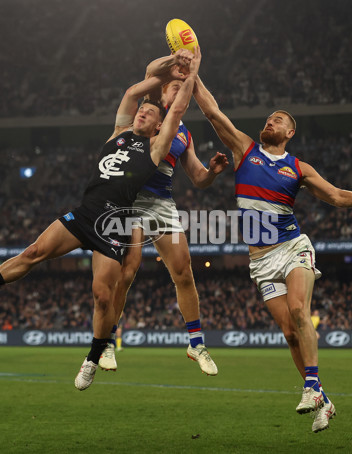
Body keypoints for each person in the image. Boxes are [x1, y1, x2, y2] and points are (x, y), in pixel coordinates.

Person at [0, 48, 202, 391]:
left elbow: (179, 109)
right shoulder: (119, 133)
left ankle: (92, 357)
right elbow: (133, 91)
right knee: (34, 252)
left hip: (113, 225)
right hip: (84, 214)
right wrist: (172, 65)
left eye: (149, 113)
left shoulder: (157, 148)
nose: (142, 112)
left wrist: (191, 72)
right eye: (141, 110)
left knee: (102, 294)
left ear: (159, 125)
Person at [192, 75, 352, 432]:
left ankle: (311, 385)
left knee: (300, 310)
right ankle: (324, 401)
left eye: (279, 121)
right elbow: (212, 111)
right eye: (269, 119)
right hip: (261, 261)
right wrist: (193, 72)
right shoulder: (245, 150)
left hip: (292, 246)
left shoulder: (299, 168)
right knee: (289, 333)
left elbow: (333, 196)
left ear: (289, 133)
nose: (270, 122)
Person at [98, 67, 229, 376]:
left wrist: (211, 172)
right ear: (162, 92)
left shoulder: (184, 132)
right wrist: (175, 62)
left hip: (162, 204)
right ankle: (106, 340)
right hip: (131, 199)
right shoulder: (145, 118)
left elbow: (197, 177)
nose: (177, 91)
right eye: (173, 87)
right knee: (127, 271)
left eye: (182, 88)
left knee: (184, 272)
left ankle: (195, 343)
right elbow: (149, 72)